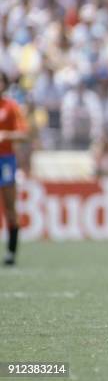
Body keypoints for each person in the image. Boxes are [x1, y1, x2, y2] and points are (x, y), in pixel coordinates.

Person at [0, 73, 29, 266]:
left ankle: (11, 252)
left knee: (10, 206)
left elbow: (23, 134)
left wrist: (6, 135)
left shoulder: (10, 106)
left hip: (5, 160)